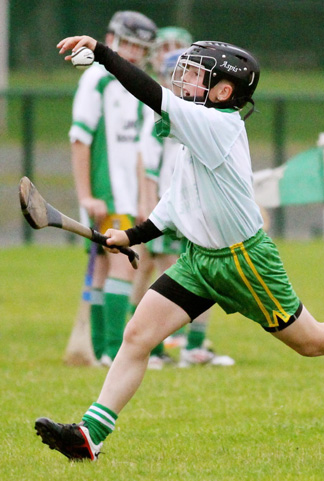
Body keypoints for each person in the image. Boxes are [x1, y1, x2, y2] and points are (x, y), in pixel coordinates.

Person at [35, 34, 324, 462]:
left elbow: (151, 94)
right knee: (137, 336)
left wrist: (105, 55)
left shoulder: (217, 124)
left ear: (223, 91)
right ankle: (89, 437)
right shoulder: (197, 135)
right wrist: (132, 236)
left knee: (311, 341)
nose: (183, 80)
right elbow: (177, 200)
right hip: (199, 262)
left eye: (195, 74)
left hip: (244, 262)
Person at [131, 30, 234, 369]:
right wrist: (147, 204)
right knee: (168, 280)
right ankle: (156, 349)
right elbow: (146, 165)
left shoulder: (204, 118)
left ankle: (191, 346)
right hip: (168, 209)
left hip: (194, 212)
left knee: (200, 279)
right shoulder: (163, 117)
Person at [69, 11, 157, 366]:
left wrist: (142, 196)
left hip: (129, 193)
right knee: (121, 268)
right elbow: (80, 139)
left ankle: (100, 351)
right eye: (129, 45)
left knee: (108, 270)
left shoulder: (136, 83)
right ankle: (110, 351)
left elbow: (139, 149)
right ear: (113, 38)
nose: (134, 54)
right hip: (106, 192)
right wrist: (86, 194)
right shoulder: (96, 80)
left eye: (141, 48)